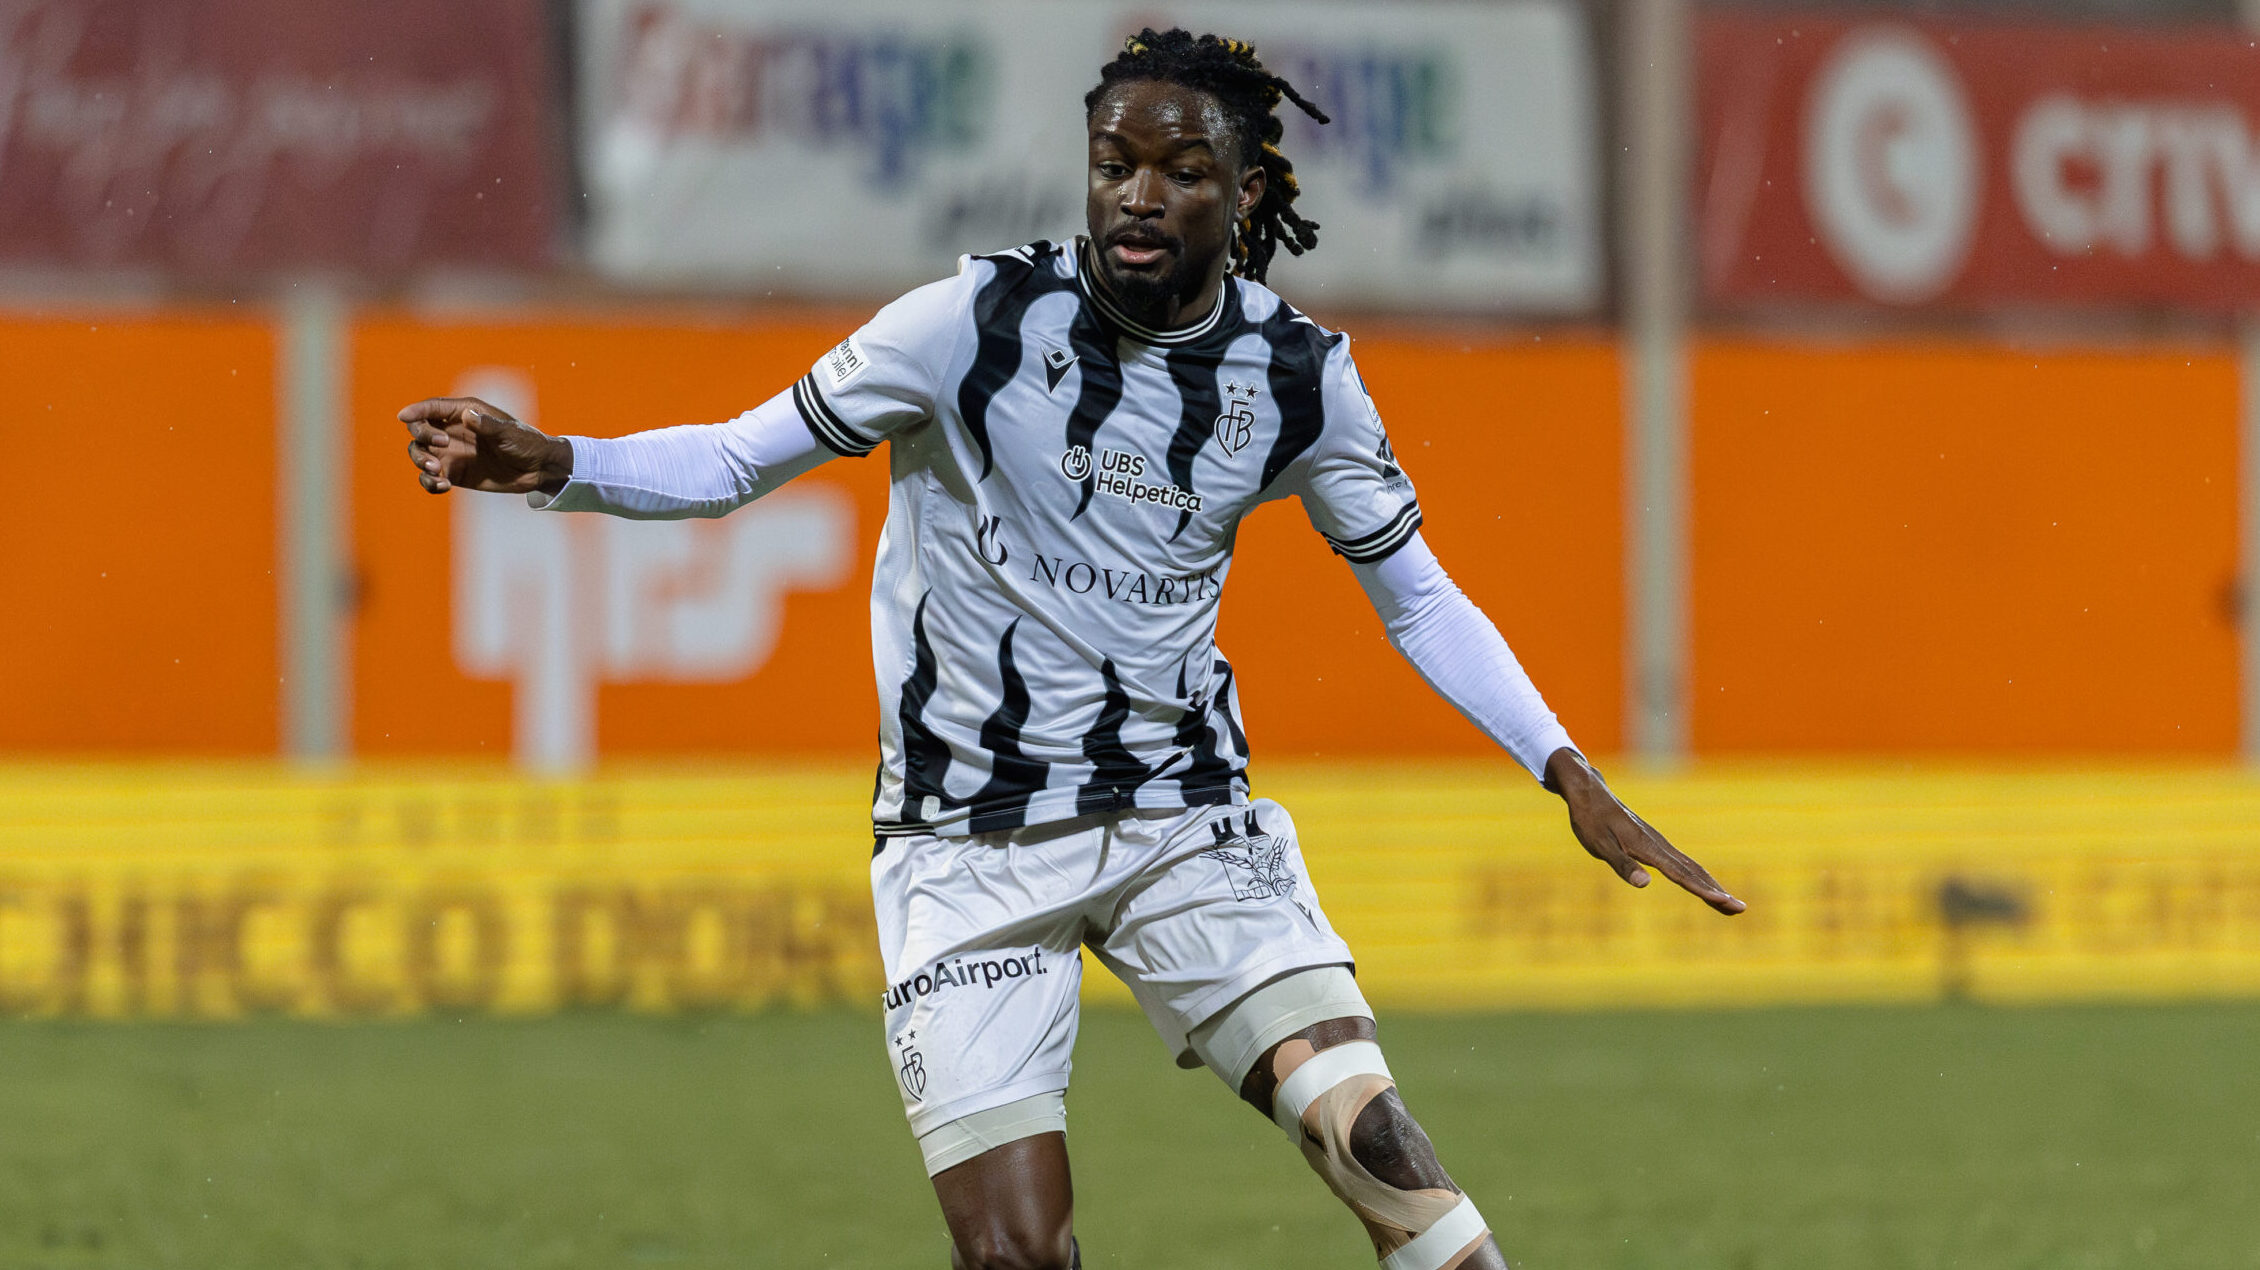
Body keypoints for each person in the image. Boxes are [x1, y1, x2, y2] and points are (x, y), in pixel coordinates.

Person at [401, 28, 1744, 1270]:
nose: (1138, 195)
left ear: (1244, 186)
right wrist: (555, 461)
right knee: (1015, 1254)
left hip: (1184, 821)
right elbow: (741, 456)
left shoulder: (1298, 378)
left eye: (1178, 169)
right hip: (962, 842)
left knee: (1379, 1146)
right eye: (1115, 164)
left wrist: (1563, 765)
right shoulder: (968, 326)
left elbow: (1417, 596)